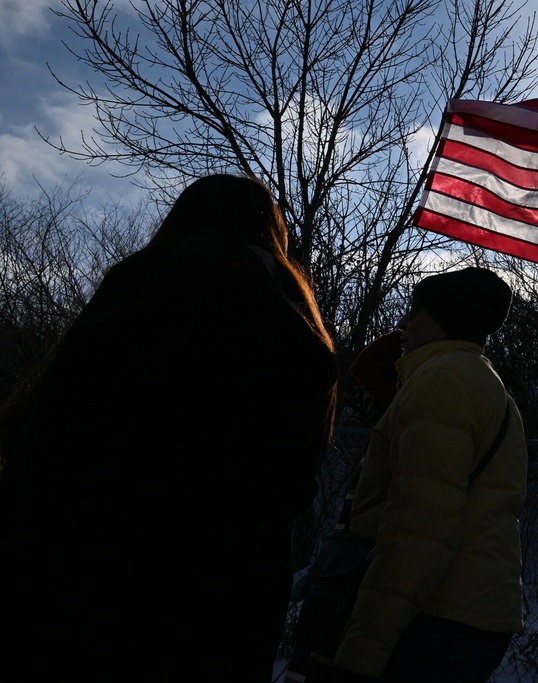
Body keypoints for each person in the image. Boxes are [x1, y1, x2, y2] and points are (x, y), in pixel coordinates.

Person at [0, 174, 339, 682]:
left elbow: (57, 423)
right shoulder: (297, 316)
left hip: (90, 570)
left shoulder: (148, 278)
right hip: (228, 592)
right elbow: (297, 478)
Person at [310, 266, 528, 682]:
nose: (404, 323)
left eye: (416, 312)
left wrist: (361, 653)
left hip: (435, 618)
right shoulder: (484, 382)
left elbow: (418, 532)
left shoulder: (441, 384)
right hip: (471, 614)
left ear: (446, 320)